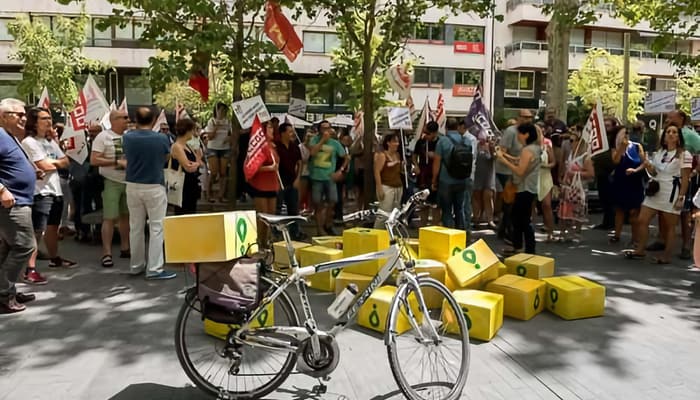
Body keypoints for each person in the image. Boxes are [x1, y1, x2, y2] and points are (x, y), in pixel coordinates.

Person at [22, 107, 77, 283]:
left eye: (49, 118)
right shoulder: (29, 142)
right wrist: (54, 163)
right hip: (40, 192)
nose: (49, 121)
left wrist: (51, 163)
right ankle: (30, 269)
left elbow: (66, 161)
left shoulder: (50, 142)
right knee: (37, 231)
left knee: (53, 227)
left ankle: (55, 258)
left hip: (55, 190)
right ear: (34, 121)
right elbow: (43, 166)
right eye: (44, 118)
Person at [625, 124, 691, 264]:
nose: (671, 134)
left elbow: (686, 178)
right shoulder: (660, 152)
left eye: (674, 132)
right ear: (664, 136)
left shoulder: (684, 155)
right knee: (642, 219)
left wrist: (681, 197)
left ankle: (666, 256)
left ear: (678, 136)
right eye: (668, 132)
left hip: (671, 192)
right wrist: (648, 167)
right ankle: (640, 250)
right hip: (655, 190)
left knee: (669, 226)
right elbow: (655, 173)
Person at [122, 107, 174, 280]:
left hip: (132, 184)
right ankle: (154, 267)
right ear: (153, 120)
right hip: (154, 185)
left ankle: (136, 265)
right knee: (157, 227)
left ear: (135, 120)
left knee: (135, 227)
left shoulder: (127, 137)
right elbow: (166, 157)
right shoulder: (162, 138)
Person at [0, 98, 39, 313]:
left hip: (19, 201)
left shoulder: (9, 137)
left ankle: (8, 289)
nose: (24, 118)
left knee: (7, 249)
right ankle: (4, 294)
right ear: (4, 115)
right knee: (24, 246)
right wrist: (1, 190)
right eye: (19, 114)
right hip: (12, 203)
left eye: (25, 114)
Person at [90, 110, 131, 268]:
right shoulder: (103, 137)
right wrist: (116, 162)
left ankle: (125, 247)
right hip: (110, 181)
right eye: (124, 118)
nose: (128, 120)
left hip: (128, 182)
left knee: (125, 216)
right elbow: (94, 160)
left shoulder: (129, 136)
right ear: (114, 120)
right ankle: (106, 252)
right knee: (110, 217)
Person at [495, 123, 541, 255]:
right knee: (518, 219)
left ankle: (526, 248)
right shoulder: (535, 148)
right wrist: (504, 155)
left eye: (520, 134)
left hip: (524, 188)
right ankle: (519, 247)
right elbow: (519, 160)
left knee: (522, 220)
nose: (518, 137)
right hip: (529, 188)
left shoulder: (527, 150)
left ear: (526, 134)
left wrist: (503, 161)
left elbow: (520, 171)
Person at [496, 109, 533, 242]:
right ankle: (509, 232)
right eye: (525, 117)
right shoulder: (511, 132)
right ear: (519, 118)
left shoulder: (528, 132)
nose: (528, 120)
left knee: (511, 202)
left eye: (530, 117)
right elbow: (501, 152)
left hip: (519, 170)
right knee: (511, 201)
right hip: (506, 170)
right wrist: (515, 159)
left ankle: (503, 229)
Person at [307, 121, 349, 236]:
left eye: (328, 128)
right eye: (323, 128)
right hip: (316, 177)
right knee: (318, 204)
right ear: (319, 130)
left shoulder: (335, 143)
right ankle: (319, 229)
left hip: (330, 178)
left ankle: (328, 224)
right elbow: (313, 152)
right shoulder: (314, 140)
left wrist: (340, 171)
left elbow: (346, 157)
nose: (326, 130)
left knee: (333, 202)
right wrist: (322, 141)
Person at [432, 118, 471, 231]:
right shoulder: (466, 141)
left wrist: (434, 180)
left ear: (446, 127)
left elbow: (437, 163)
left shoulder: (442, 141)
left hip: (446, 181)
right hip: (462, 180)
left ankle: (449, 236)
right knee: (459, 209)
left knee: (447, 210)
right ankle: (462, 235)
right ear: (458, 126)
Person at [610, 126, 646, 246]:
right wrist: (622, 148)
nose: (626, 134)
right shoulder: (615, 146)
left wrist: (636, 170)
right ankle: (617, 235)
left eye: (627, 132)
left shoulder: (637, 146)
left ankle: (635, 238)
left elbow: (644, 162)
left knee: (634, 212)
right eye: (623, 132)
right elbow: (615, 161)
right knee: (620, 209)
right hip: (621, 180)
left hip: (635, 181)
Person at [558, 129, 595, 243]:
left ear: (580, 142)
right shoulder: (571, 154)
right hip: (568, 186)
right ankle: (563, 232)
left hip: (580, 188)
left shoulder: (585, 157)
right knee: (564, 210)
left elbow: (591, 174)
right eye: (570, 140)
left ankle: (577, 233)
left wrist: (574, 174)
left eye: (572, 140)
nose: (570, 143)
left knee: (578, 210)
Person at [247, 121, 280, 247]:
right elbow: (253, 167)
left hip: (272, 184)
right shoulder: (260, 147)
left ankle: (267, 241)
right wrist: (270, 168)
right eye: (270, 127)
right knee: (263, 216)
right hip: (261, 185)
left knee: (271, 215)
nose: (272, 129)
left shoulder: (273, 145)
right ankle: (259, 241)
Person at [275, 122, 304, 240]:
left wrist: (298, 178)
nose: (292, 134)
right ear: (282, 133)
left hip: (292, 181)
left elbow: (300, 162)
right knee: (277, 208)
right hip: (279, 181)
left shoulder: (294, 147)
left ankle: (295, 231)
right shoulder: (276, 146)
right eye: (290, 131)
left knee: (293, 208)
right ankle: (276, 231)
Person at [170, 118, 202, 215]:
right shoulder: (177, 146)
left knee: (191, 211)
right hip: (182, 185)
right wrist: (196, 164)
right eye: (192, 130)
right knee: (182, 212)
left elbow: (198, 161)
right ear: (187, 130)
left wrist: (197, 162)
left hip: (192, 184)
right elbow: (188, 166)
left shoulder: (188, 146)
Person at [412, 121, 440, 226]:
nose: (426, 135)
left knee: (436, 204)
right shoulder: (421, 142)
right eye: (425, 132)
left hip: (436, 174)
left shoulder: (440, 143)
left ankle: (434, 227)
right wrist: (416, 165)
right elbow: (414, 155)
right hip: (423, 174)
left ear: (435, 133)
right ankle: (423, 226)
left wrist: (435, 156)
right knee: (423, 202)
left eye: (428, 133)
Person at [374, 133, 404, 228]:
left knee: (394, 214)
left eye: (398, 141)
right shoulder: (382, 155)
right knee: (384, 214)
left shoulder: (398, 155)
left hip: (398, 186)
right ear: (388, 143)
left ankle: (389, 235)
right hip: (386, 186)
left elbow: (400, 171)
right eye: (394, 141)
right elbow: (377, 171)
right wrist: (379, 188)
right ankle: (377, 233)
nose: (397, 144)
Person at [205, 102, 232, 203]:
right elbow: (210, 137)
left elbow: (231, 134)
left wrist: (229, 138)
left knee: (223, 173)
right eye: (221, 110)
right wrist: (216, 127)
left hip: (225, 148)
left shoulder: (228, 122)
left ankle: (221, 195)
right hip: (213, 148)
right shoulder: (211, 121)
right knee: (214, 172)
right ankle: (209, 193)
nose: (223, 112)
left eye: (225, 110)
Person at [458, 120, 479, 236]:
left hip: (468, 175)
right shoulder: (459, 138)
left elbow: (471, 157)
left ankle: (467, 228)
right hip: (460, 175)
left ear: (462, 127)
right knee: (460, 203)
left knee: (466, 203)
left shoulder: (470, 139)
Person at [537, 125, 556, 241]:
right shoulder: (529, 146)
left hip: (545, 176)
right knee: (530, 205)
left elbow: (554, 162)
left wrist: (546, 166)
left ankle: (551, 232)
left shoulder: (547, 146)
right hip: (533, 177)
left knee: (547, 205)